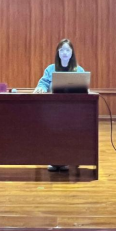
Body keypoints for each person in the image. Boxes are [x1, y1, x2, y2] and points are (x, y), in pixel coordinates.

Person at [34, 38, 85, 172]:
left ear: (72, 52)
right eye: (61, 50)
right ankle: (54, 160)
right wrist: (41, 88)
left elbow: (83, 88)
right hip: (52, 110)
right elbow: (43, 83)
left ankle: (66, 159)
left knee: (68, 134)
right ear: (58, 52)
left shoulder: (79, 70)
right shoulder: (50, 69)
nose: (64, 53)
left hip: (72, 112)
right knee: (51, 133)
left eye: (67, 50)